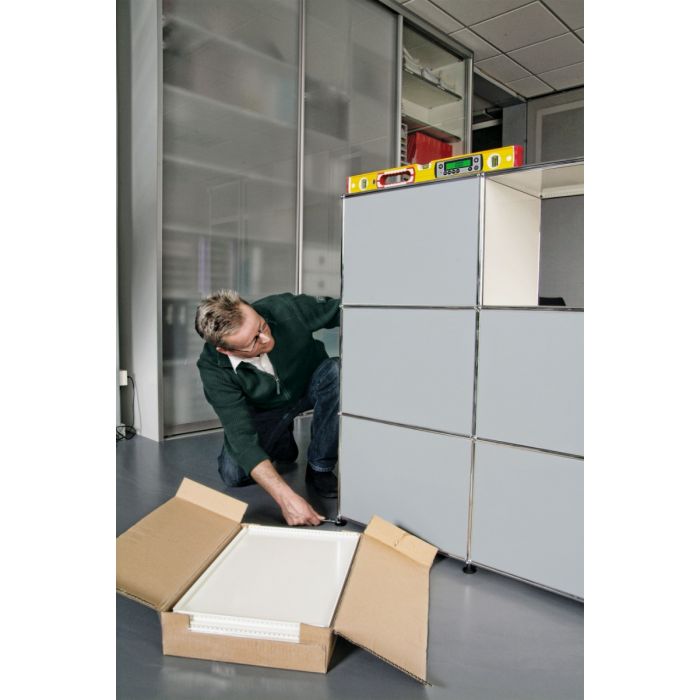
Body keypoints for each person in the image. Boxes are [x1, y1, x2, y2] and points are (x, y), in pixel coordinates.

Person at [194, 290, 341, 526]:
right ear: (226, 350)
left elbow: (346, 310)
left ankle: (319, 467)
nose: (266, 339)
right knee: (233, 475)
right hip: (266, 410)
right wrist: (286, 498)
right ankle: (282, 439)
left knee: (337, 371)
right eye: (253, 341)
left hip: (310, 385)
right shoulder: (213, 369)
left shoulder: (285, 309)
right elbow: (242, 439)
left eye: (262, 326)